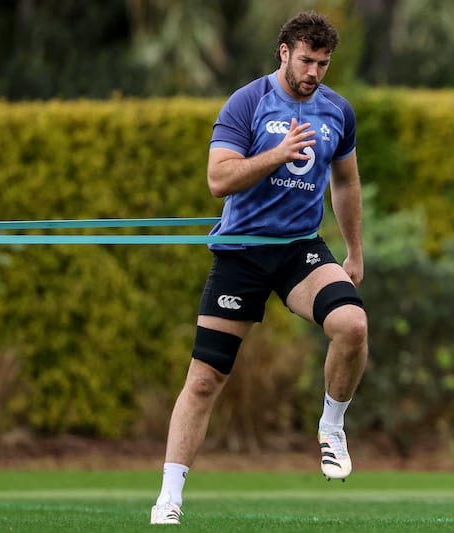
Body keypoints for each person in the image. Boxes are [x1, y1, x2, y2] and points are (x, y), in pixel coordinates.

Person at [150, 11, 368, 525]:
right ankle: (169, 496)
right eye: (307, 60)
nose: (315, 72)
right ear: (284, 52)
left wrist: (355, 251)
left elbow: (346, 183)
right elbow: (219, 180)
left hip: (298, 250)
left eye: (324, 63)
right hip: (242, 252)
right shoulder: (246, 102)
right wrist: (278, 153)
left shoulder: (338, 111)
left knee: (353, 324)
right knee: (205, 380)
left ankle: (332, 426)